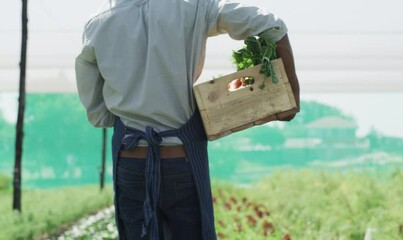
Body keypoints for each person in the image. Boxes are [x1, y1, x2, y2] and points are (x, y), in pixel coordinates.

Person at [75, 0, 300, 239]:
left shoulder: (97, 23)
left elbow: (98, 113)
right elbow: (270, 24)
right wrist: (291, 94)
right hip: (180, 161)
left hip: (131, 163)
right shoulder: (193, 6)